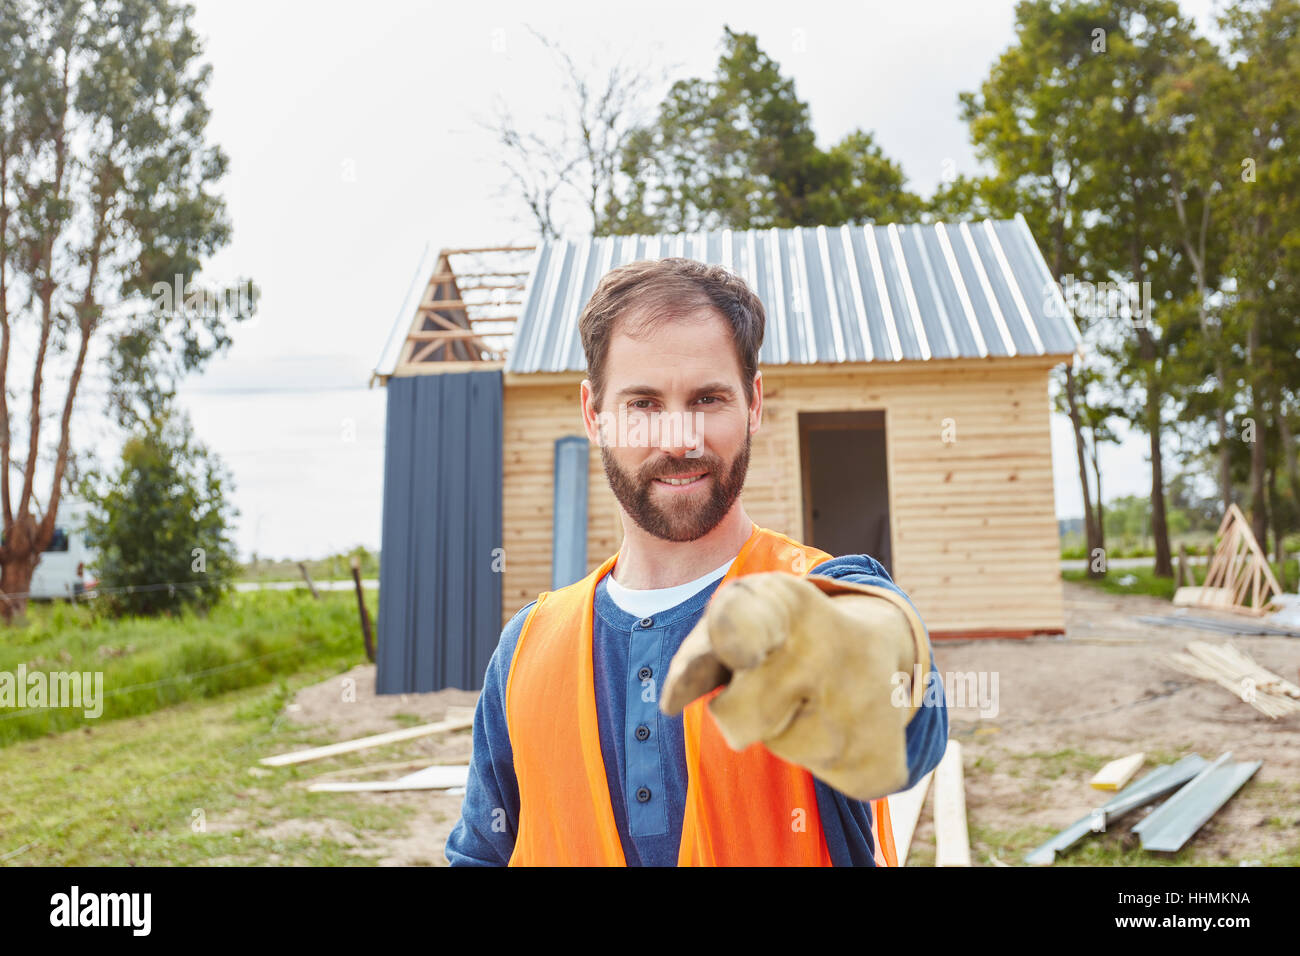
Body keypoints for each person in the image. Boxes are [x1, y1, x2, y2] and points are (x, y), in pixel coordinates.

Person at [446, 257, 948, 866]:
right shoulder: (525, 647)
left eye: (708, 398)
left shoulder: (825, 594)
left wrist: (860, 659)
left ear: (754, 404)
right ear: (593, 416)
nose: (680, 438)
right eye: (644, 405)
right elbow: (480, 856)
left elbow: (907, 726)